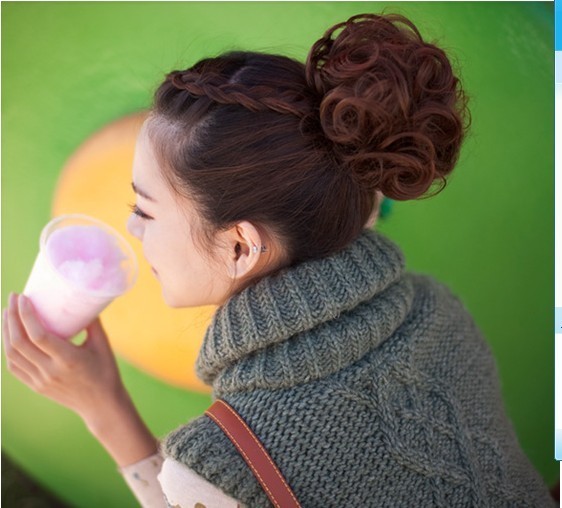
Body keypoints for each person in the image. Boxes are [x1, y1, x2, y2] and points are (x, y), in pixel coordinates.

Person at [2, 12, 556, 508]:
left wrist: (103, 408)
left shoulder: (231, 467)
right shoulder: (438, 311)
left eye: (143, 209)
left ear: (240, 246)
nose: (130, 227)